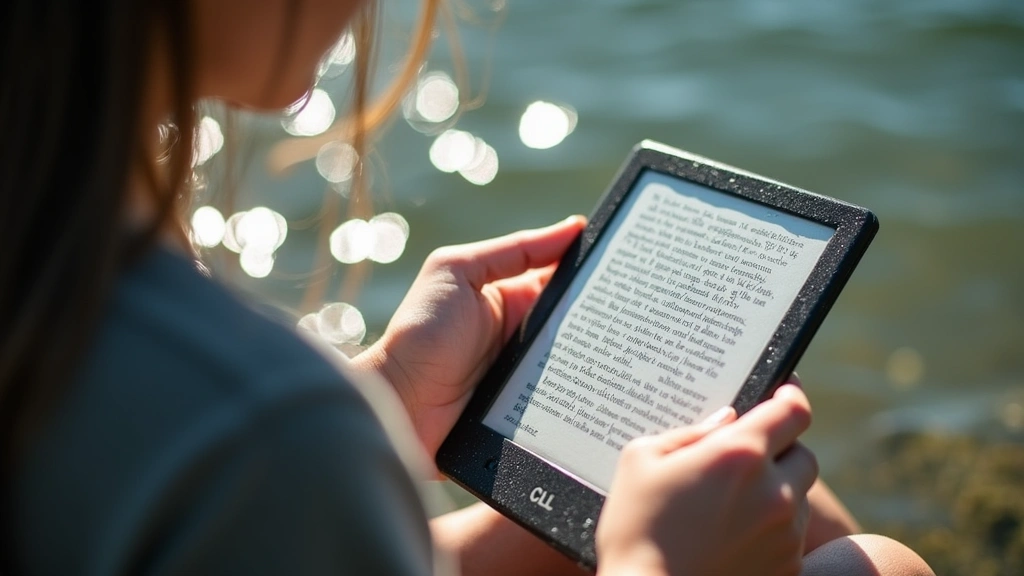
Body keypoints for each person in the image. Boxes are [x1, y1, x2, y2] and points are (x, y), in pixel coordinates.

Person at [0, 0, 934, 574]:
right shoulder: (263, 432)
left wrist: (388, 396)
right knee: (875, 568)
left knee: (748, 498)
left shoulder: (46, 244)